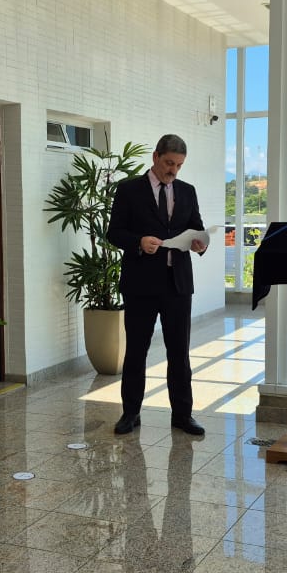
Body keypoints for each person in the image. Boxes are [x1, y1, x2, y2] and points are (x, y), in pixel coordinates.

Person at [108, 133, 207, 437]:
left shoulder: (187, 191)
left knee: (179, 353)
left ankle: (182, 415)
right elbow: (114, 233)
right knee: (136, 352)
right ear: (155, 157)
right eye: (168, 163)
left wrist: (200, 243)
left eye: (178, 165)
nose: (173, 170)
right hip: (140, 285)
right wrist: (139, 241)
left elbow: (197, 228)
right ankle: (130, 413)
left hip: (178, 285)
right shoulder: (128, 190)